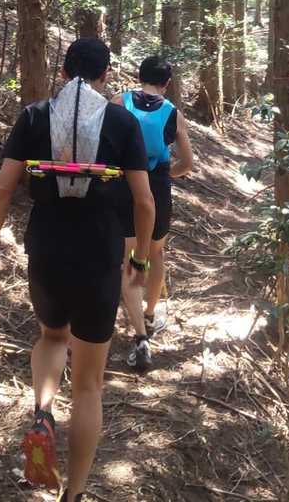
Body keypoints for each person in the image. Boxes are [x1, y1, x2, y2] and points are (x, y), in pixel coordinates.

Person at [0, 38, 155, 502]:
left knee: (52, 337)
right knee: (90, 385)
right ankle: (73, 493)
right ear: (106, 74)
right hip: (99, 252)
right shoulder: (122, 121)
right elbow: (144, 201)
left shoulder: (34, 116)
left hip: (47, 246)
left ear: (62, 72)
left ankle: (42, 411)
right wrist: (139, 260)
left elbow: (1, 192)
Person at [114, 54, 193, 372]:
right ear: (167, 83)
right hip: (157, 188)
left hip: (124, 185)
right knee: (156, 253)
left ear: (139, 75)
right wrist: (164, 175)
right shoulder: (173, 113)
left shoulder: (119, 102)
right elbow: (187, 163)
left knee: (130, 258)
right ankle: (149, 314)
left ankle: (140, 337)